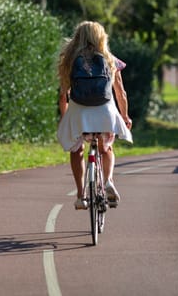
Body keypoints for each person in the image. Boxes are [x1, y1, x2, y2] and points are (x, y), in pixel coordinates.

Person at [57, 21, 133, 210]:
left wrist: (65, 117)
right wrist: (125, 116)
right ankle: (108, 181)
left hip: (79, 112)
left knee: (77, 150)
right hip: (105, 111)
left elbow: (63, 95)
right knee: (105, 148)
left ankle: (81, 196)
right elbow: (121, 93)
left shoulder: (69, 59)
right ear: (101, 37)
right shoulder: (109, 58)